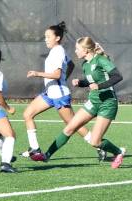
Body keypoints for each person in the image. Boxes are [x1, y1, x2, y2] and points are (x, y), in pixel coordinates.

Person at [31, 37, 126, 169]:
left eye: (77, 49)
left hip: (107, 103)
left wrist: (100, 86)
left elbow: (117, 76)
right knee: (69, 128)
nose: (75, 51)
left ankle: (118, 152)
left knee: (95, 141)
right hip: (93, 101)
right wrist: (81, 83)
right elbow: (92, 80)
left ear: (86, 50)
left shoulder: (101, 60)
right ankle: (46, 155)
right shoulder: (85, 64)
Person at [21, 21, 105, 160]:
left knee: (74, 125)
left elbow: (57, 75)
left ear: (57, 38)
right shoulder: (55, 51)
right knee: (27, 114)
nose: (45, 39)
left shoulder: (58, 51)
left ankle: (99, 146)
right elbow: (70, 64)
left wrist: (38, 73)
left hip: (59, 95)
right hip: (50, 92)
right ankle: (35, 148)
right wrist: (62, 79)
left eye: (48, 37)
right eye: (45, 37)